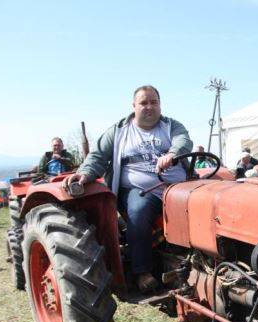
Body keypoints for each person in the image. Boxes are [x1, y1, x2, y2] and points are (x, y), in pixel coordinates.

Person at [65, 85, 193, 293]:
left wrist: (173, 153)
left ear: (160, 105)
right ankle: (142, 272)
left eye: (154, 102)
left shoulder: (172, 126)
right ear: (134, 106)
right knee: (138, 211)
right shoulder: (118, 131)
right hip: (140, 189)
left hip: (177, 187)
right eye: (144, 103)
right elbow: (97, 157)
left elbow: (183, 141)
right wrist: (85, 173)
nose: (149, 107)